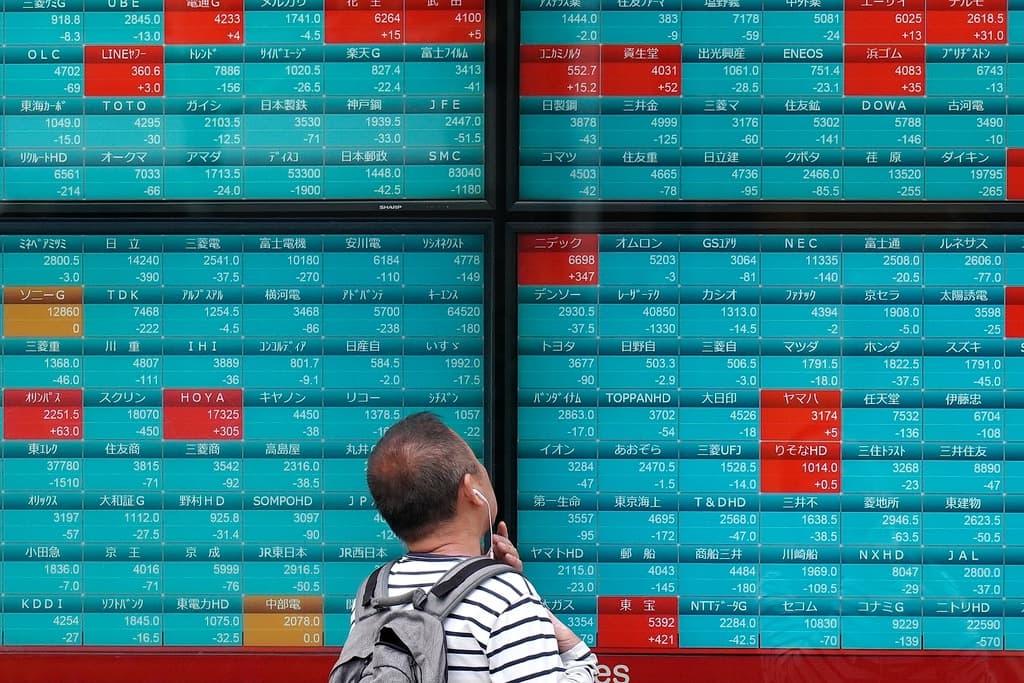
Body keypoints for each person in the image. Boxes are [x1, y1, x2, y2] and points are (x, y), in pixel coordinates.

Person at [361, 411, 598, 682]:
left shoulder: (372, 593)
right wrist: (580, 660)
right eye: (477, 463)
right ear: (471, 489)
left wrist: (483, 575)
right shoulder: (505, 597)